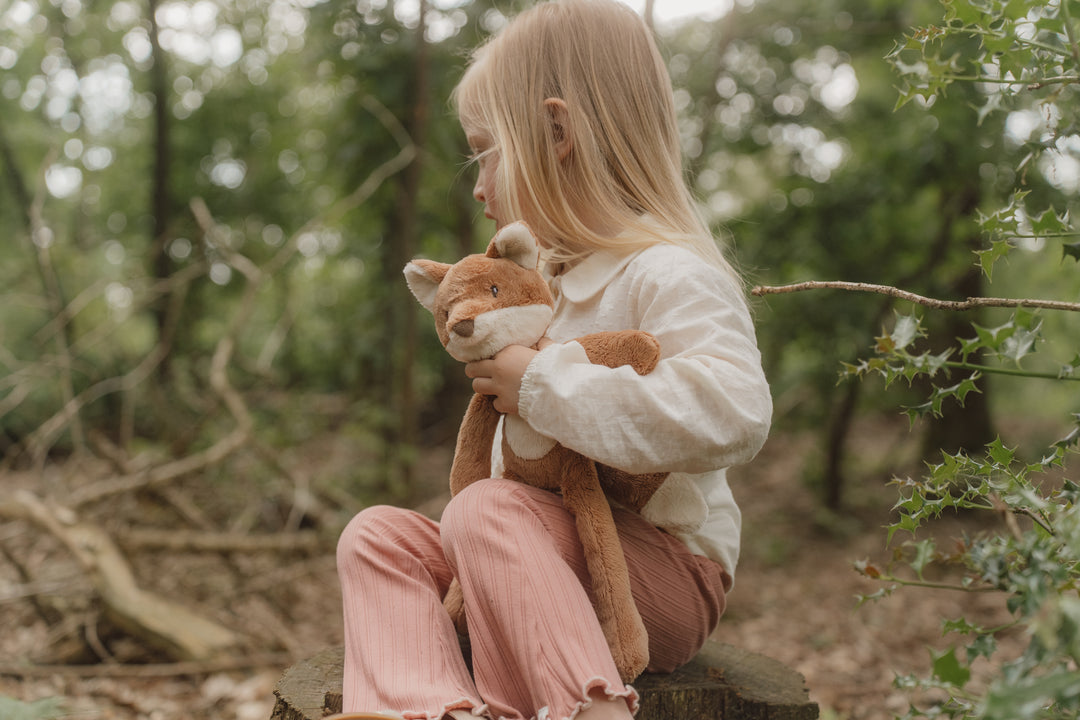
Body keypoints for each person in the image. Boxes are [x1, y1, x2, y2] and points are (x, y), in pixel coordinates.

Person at [333, 0, 772, 718]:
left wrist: (540, 381)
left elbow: (736, 415)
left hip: (658, 576)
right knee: (378, 535)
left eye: (485, 150)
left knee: (485, 510)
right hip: (523, 548)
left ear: (558, 131)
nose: (476, 184)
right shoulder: (546, 289)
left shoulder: (666, 272)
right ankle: (427, 706)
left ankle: (586, 707)